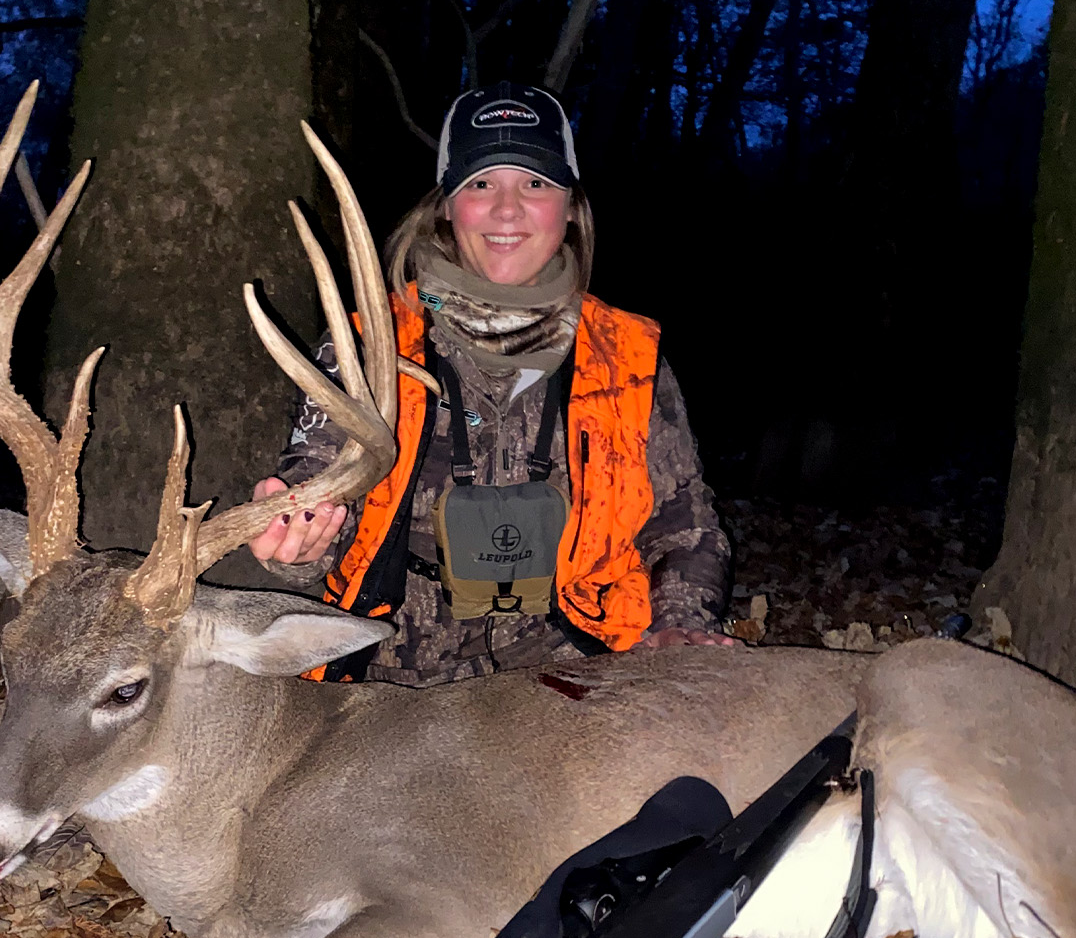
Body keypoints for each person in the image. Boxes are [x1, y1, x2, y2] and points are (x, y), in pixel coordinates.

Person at [249, 81, 731, 685]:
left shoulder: (628, 356)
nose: (508, 210)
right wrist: (299, 541)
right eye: (481, 184)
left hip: (577, 664)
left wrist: (678, 622)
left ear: (571, 208)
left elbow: (682, 521)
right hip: (391, 675)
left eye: (535, 183)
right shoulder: (368, 346)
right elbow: (314, 484)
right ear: (447, 206)